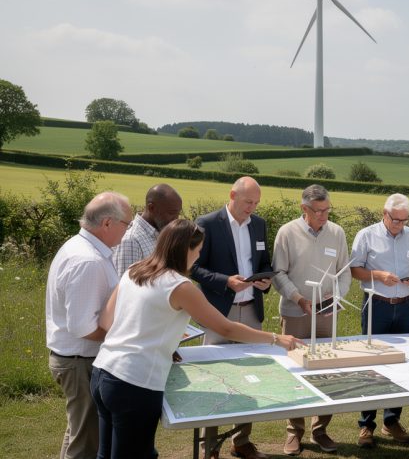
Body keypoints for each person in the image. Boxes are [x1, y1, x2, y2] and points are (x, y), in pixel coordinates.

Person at [90, 219, 303, 459]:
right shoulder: (180, 286)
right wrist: (276, 338)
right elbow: (226, 328)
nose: (198, 257)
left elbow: (107, 321)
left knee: (105, 454)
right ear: (185, 250)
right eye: (198, 251)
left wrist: (156, 339)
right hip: (134, 382)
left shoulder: (134, 270)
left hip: (102, 372)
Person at [191, 177, 273, 459]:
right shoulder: (207, 223)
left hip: (251, 310)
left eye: (256, 203)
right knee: (214, 377)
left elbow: (264, 264)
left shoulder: (259, 225)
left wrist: (265, 281)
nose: (252, 208)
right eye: (248, 202)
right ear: (232, 195)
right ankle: (209, 445)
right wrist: (226, 281)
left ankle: (242, 441)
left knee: (250, 377)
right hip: (217, 312)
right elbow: (194, 268)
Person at [46, 191, 133, 459]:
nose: (127, 231)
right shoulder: (88, 260)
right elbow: (84, 328)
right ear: (107, 223)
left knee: (78, 433)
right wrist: (126, 338)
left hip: (75, 360)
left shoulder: (86, 250)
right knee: (86, 442)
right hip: (79, 362)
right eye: (126, 225)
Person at [272, 185, 351, 455]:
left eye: (327, 210)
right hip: (295, 313)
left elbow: (344, 271)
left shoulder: (337, 232)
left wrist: (336, 296)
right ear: (303, 209)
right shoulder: (287, 232)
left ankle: (321, 430)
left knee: (325, 371)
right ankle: (294, 431)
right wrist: (298, 299)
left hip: (327, 314)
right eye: (317, 211)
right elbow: (278, 273)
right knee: (296, 371)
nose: (323, 216)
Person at [350, 193, 409, 448]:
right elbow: (354, 270)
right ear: (384, 213)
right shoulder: (366, 235)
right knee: (373, 365)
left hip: (404, 306)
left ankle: (391, 420)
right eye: (395, 220)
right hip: (377, 306)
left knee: (402, 365)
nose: (399, 225)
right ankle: (366, 425)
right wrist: (380, 275)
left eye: (404, 221)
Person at [113, 183, 182, 277]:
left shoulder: (161, 233)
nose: (176, 219)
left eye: (178, 213)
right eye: (171, 213)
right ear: (151, 208)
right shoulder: (131, 240)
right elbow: (124, 286)